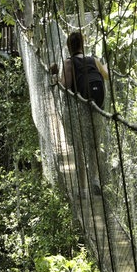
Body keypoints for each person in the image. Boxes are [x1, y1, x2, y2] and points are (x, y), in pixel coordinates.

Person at [54, 31, 108, 196]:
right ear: (82, 45)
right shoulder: (94, 60)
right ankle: (95, 181)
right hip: (97, 109)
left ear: (68, 46)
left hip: (79, 111)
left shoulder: (69, 63)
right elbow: (106, 76)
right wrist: (104, 64)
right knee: (93, 146)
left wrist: (56, 77)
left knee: (79, 149)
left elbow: (65, 86)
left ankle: (83, 190)